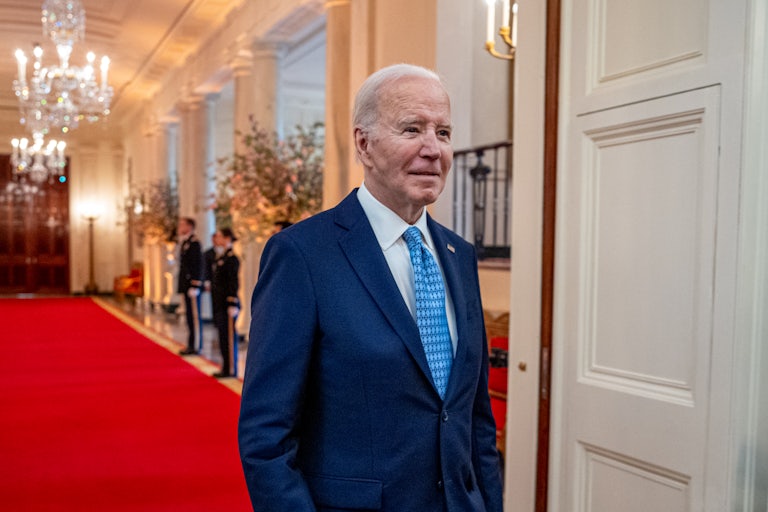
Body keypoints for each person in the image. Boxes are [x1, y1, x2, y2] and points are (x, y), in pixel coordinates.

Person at [238, 63, 503, 512]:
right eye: (412, 128)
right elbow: (266, 436)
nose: (432, 149)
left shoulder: (460, 257)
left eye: (443, 132)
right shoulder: (302, 255)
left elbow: (475, 418)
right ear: (364, 143)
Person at [210, 227, 240, 378]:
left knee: (228, 337)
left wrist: (232, 302)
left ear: (228, 238)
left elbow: (233, 282)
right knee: (222, 337)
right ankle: (225, 367)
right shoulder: (221, 256)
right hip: (219, 303)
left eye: (220, 236)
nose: (217, 238)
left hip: (227, 303)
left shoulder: (231, 258)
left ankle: (231, 369)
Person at [177, 217, 204, 356]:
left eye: (182, 224)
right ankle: (191, 344)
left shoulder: (194, 243)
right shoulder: (186, 242)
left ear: (189, 226)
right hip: (186, 285)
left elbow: (198, 265)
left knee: (194, 317)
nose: (179, 227)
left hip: (192, 286)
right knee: (189, 316)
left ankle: (196, 345)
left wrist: (196, 284)